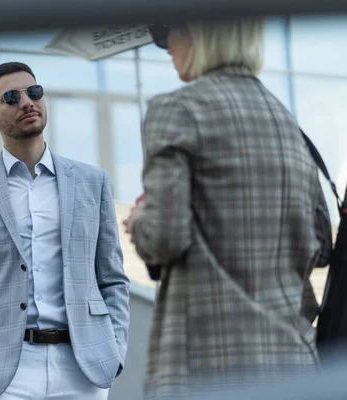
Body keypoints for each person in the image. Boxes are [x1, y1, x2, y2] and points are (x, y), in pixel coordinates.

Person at [123, 19, 333, 399]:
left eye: (167, 32)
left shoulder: (176, 110)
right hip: (295, 366)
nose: (165, 45)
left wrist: (140, 220)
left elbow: (165, 237)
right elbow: (320, 245)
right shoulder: (287, 122)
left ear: (201, 33)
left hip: (207, 367)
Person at [0, 62, 130, 400]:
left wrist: (114, 347)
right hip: (2, 370)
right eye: (11, 97)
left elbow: (112, 277)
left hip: (83, 367)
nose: (27, 102)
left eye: (34, 92)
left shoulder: (92, 182)